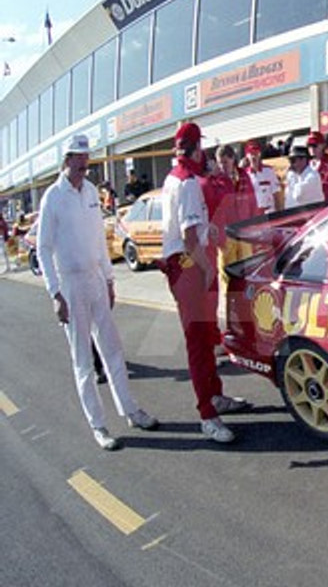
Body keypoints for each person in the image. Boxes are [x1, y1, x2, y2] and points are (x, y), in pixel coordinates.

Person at [37, 134, 158, 450]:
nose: (82, 163)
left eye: (85, 157)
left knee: (113, 349)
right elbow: (43, 247)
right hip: (70, 283)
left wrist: (108, 280)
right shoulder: (52, 197)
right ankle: (99, 426)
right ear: (66, 160)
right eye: (77, 157)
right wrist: (55, 293)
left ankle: (130, 409)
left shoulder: (91, 192)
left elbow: (99, 244)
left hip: (95, 280)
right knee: (83, 361)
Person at [160, 122, 250, 445]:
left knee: (208, 336)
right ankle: (207, 415)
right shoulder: (185, 183)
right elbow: (188, 238)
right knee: (199, 342)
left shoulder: (179, 178)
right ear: (197, 149)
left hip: (188, 265)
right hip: (190, 267)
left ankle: (215, 396)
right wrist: (207, 269)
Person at [242, 140, 280, 215]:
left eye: (256, 153)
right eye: (251, 153)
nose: (253, 156)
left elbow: (276, 195)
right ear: (247, 155)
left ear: (259, 154)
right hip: (254, 215)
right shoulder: (245, 175)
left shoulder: (268, 171)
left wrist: (278, 213)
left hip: (269, 212)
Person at [283, 142, 325, 209]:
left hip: (313, 213)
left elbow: (298, 195)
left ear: (303, 160)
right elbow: (288, 200)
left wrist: (292, 179)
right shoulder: (293, 175)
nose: (291, 165)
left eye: (293, 161)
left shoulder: (312, 176)